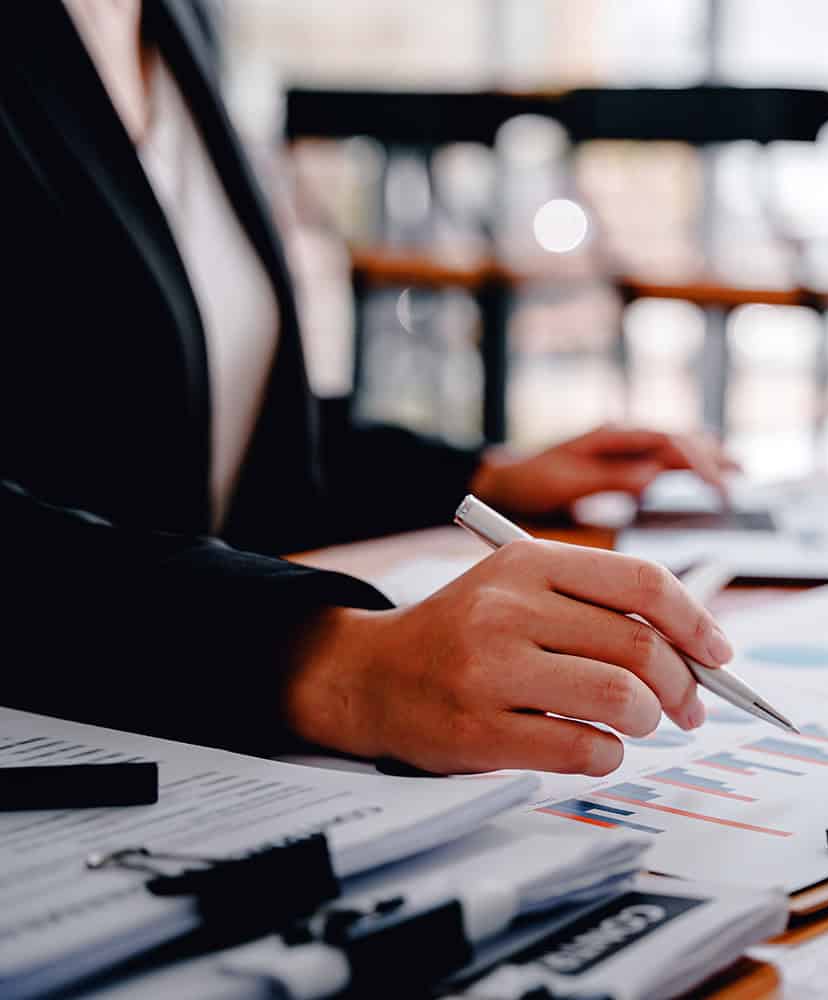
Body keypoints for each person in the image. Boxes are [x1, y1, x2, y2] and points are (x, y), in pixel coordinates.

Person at [0, 0, 737, 776]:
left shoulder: (173, 22)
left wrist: (484, 475)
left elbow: (192, 426)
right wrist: (328, 664)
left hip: (206, 753)